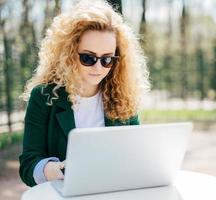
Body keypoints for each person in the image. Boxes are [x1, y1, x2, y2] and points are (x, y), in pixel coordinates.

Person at [19, 0, 150, 187]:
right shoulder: (44, 97)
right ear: (70, 53)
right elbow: (28, 166)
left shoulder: (123, 96)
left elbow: (135, 154)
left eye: (107, 59)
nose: (98, 67)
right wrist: (63, 170)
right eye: (88, 57)